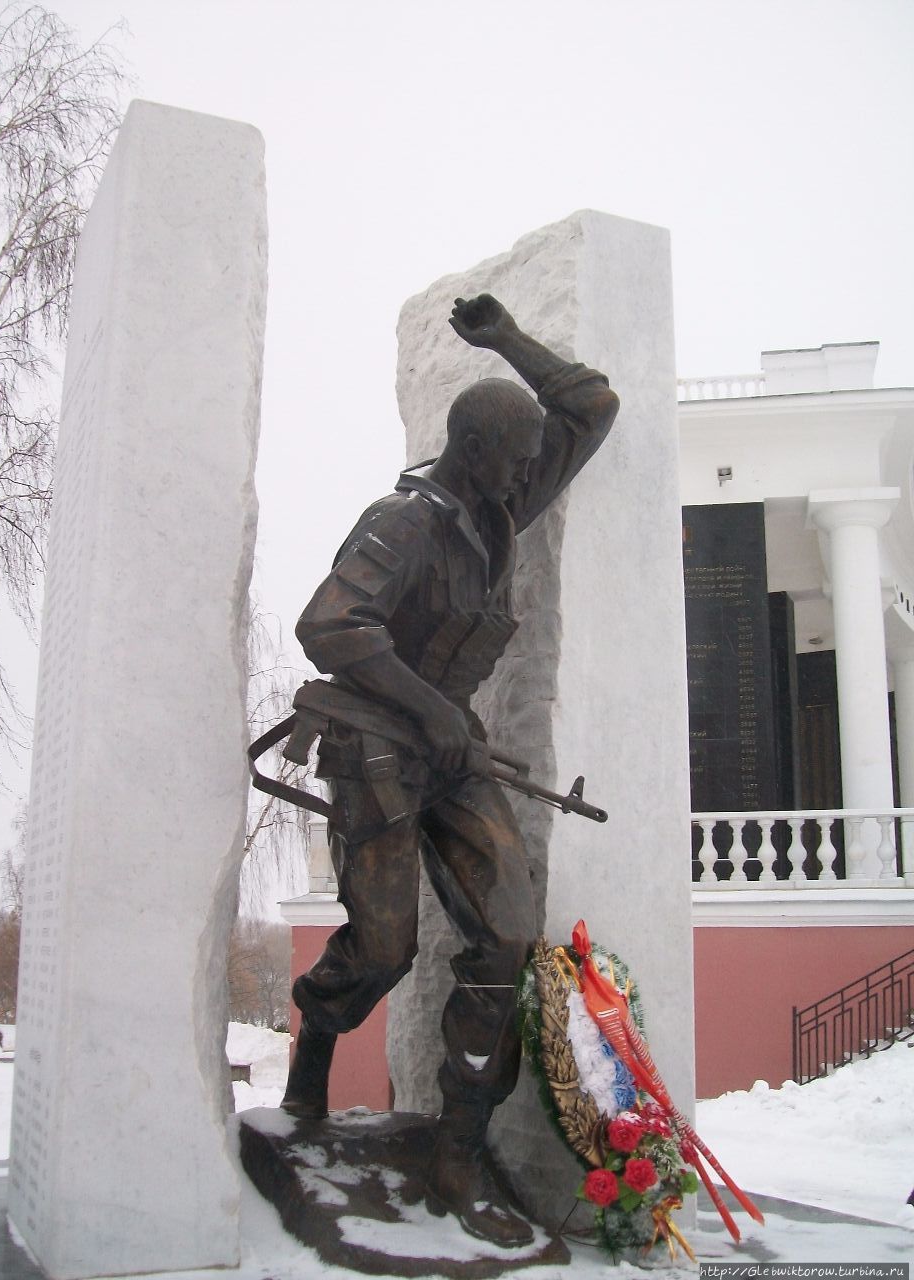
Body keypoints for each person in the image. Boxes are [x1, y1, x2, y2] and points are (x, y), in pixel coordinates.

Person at [281, 293, 620, 1246]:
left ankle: (458, 1147)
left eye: (527, 466)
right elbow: (330, 625)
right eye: (514, 461)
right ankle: (317, 1031)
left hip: (453, 753)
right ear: (473, 453)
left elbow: (591, 409)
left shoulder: (501, 506)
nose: (528, 477)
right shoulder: (404, 521)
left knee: (506, 939)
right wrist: (431, 709)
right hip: (379, 748)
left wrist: (506, 340)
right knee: (384, 949)